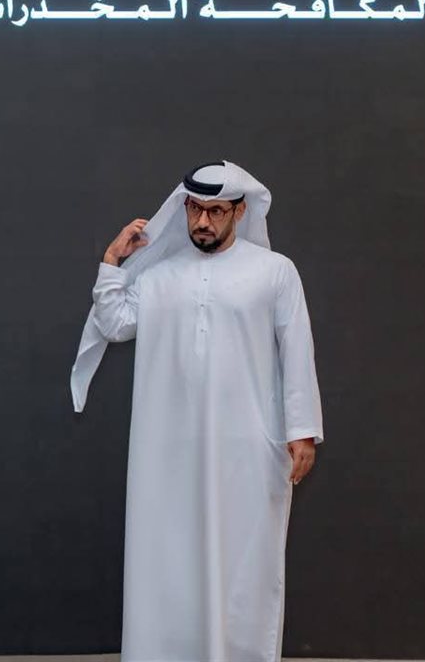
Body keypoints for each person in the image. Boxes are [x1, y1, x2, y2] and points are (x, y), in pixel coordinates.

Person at [70, 161, 324, 662]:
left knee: (241, 560)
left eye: (215, 211)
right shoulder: (160, 275)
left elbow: (297, 351)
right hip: (167, 451)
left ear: (239, 212)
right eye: (194, 209)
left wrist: (302, 430)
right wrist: (112, 261)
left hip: (245, 449)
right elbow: (115, 324)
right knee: (169, 557)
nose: (202, 221)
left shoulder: (274, 272)